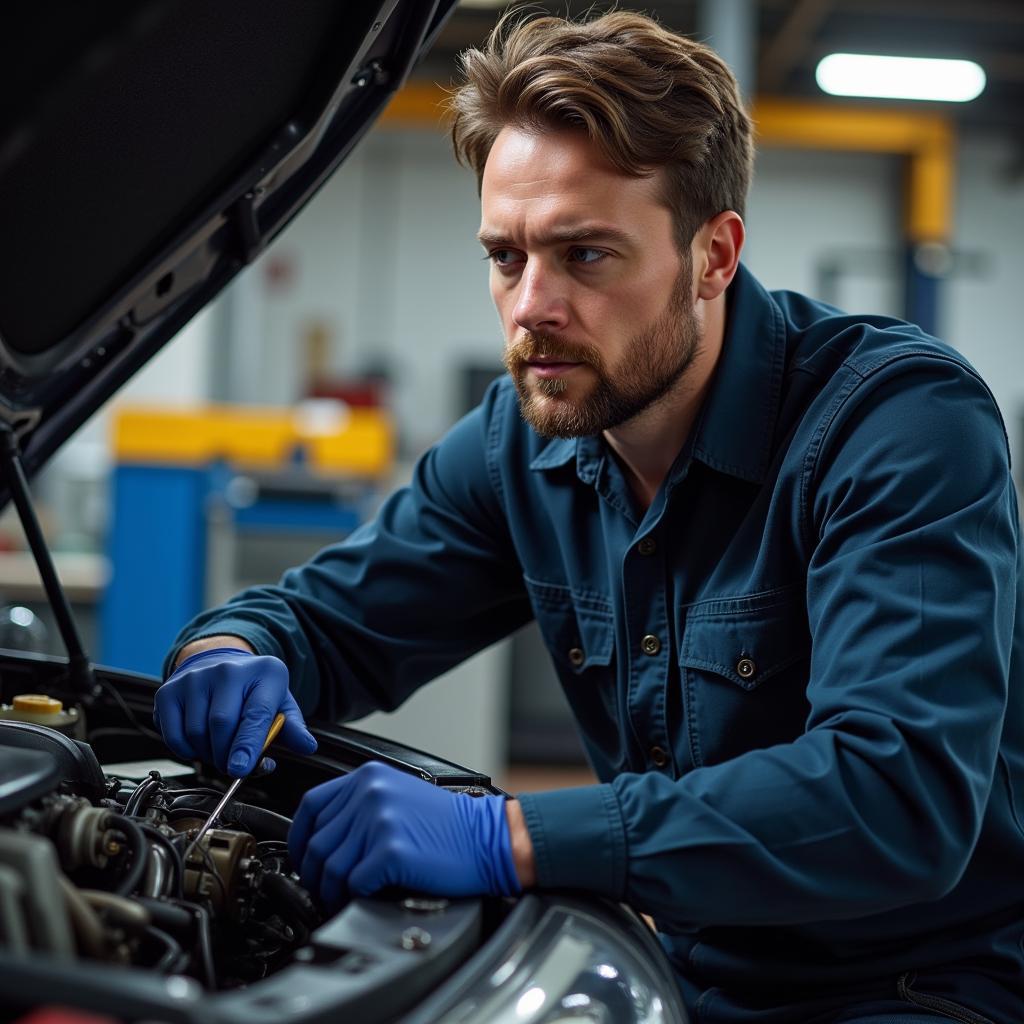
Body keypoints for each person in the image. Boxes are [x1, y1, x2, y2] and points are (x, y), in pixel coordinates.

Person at [152, 11, 1024, 1023]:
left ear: (713, 255)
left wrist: (507, 837)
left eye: (586, 256)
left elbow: (897, 799)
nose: (531, 307)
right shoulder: (521, 444)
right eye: (506, 257)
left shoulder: (898, 422)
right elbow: (331, 623)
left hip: (926, 986)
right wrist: (230, 644)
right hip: (693, 971)